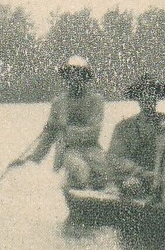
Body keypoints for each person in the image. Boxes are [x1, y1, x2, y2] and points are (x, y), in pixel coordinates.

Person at [18, 56, 108, 190]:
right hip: (68, 151)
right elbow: (48, 135)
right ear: (66, 78)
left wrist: (65, 129)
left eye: (79, 75)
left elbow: (93, 132)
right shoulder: (59, 103)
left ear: (85, 78)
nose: (75, 79)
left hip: (91, 149)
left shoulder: (96, 100)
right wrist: (32, 157)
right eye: (71, 75)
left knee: (108, 172)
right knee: (81, 170)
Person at [106, 74, 165, 197]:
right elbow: (115, 158)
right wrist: (140, 172)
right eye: (143, 94)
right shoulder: (124, 127)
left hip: (162, 179)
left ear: (158, 97)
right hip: (134, 178)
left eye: (152, 93)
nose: (148, 98)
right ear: (137, 98)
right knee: (132, 186)